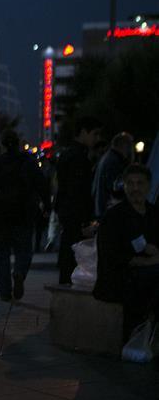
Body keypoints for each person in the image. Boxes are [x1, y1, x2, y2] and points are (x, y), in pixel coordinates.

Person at [0, 130, 50, 301]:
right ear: (18, 144)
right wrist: (47, 205)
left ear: (1, 145)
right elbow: (42, 184)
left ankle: (4, 290)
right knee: (24, 250)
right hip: (24, 213)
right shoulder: (28, 162)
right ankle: (19, 273)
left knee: (1, 253)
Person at [93, 164, 159, 338]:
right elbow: (110, 255)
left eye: (140, 183)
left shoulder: (154, 214)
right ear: (124, 185)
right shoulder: (115, 216)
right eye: (131, 183)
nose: (135, 188)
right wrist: (145, 261)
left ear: (148, 185)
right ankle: (135, 337)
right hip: (120, 277)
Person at [55, 116, 102, 284]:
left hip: (68, 215)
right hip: (75, 218)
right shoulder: (78, 158)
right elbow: (77, 192)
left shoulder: (69, 155)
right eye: (95, 134)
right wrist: (83, 222)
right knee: (74, 256)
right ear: (83, 132)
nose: (97, 139)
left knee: (69, 255)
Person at [93, 132, 134, 220]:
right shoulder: (114, 162)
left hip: (103, 210)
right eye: (130, 146)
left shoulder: (108, 158)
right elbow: (116, 188)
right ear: (124, 146)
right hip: (109, 212)